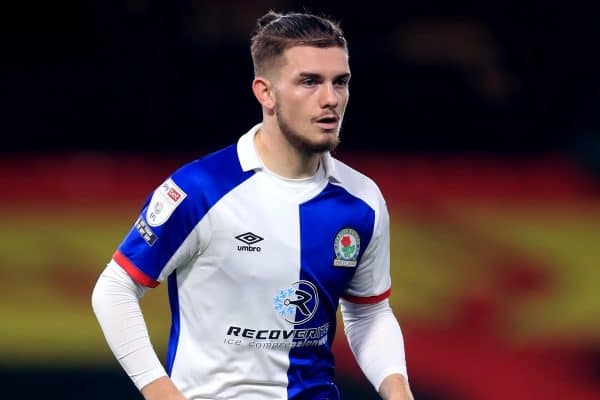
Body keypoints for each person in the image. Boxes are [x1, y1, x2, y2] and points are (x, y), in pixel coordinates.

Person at [92, 10, 413, 400]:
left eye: (340, 82)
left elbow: (368, 312)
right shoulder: (201, 189)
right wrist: (159, 389)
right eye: (309, 82)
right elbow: (114, 288)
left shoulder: (362, 200)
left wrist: (398, 390)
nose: (330, 99)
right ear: (265, 92)